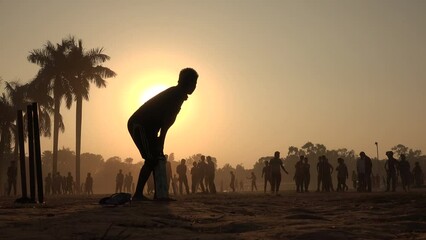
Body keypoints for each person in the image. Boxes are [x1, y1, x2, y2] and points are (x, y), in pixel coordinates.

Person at [128, 68, 198, 201]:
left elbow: (166, 122)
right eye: (194, 83)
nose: (195, 87)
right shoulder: (176, 95)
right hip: (140, 124)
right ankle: (138, 195)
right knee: (151, 158)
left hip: (150, 128)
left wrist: (160, 143)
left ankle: (159, 194)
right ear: (186, 82)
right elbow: (167, 122)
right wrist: (161, 142)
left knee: (157, 157)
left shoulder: (178, 95)